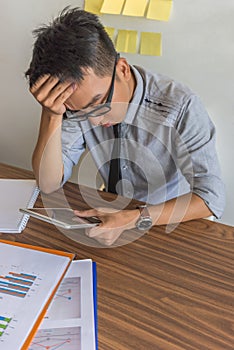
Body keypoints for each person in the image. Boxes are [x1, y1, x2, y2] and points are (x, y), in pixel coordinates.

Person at [25, 7, 225, 246]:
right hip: (112, 212)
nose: (94, 121)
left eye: (98, 103)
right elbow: (48, 184)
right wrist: (52, 114)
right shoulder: (76, 106)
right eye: (76, 111)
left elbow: (211, 198)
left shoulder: (180, 105)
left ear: (122, 69)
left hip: (171, 223)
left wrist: (135, 218)